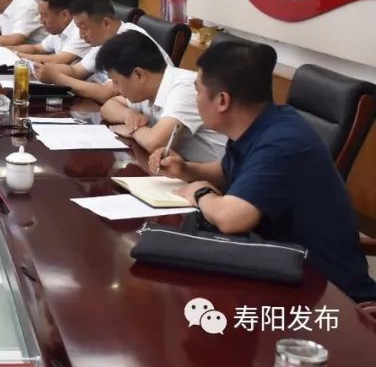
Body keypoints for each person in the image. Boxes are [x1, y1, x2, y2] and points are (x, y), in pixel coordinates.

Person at [151, 41, 376, 302]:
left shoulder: (283, 142)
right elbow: (230, 172)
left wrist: (200, 192)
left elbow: (232, 218)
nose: (195, 98)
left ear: (222, 100)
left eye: (197, 91)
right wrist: (186, 169)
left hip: (329, 294)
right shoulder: (260, 122)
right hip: (278, 268)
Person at [96, 30, 226, 162]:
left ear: (138, 75)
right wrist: (129, 115)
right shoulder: (146, 89)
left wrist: (133, 130)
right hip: (181, 167)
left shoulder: (187, 87)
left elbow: (155, 143)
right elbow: (108, 107)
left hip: (219, 173)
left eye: (116, 82)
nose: (115, 88)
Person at [37, 0, 171, 104]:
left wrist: (56, 78)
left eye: (84, 27)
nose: (81, 35)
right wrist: (40, 69)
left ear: (106, 22)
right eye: (78, 28)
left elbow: (106, 93)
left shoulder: (128, 40)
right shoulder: (105, 40)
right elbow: (76, 71)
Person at [11, 0, 91, 65]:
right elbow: (36, 48)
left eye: (44, 15)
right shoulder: (58, 29)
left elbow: (58, 60)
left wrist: (16, 55)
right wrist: (7, 49)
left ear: (64, 15)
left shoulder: (81, 32)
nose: (40, 19)